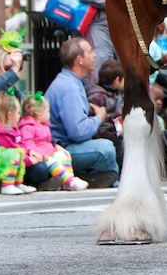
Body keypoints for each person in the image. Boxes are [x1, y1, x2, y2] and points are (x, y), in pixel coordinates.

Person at [44, 37, 119, 187]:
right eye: (90, 52)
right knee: (106, 149)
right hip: (62, 148)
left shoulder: (71, 82)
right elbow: (78, 132)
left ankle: (104, 178)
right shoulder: (69, 87)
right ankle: (107, 180)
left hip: (63, 145)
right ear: (80, 60)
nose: (94, 55)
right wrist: (99, 117)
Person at [17, 93, 87, 191]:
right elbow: (28, 144)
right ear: (39, 114)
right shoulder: (27, 127)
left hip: (50, 153)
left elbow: (48, 142)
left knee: (62, 156)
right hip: (41, 157)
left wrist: (56, 148)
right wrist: (42, 155)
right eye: (48, 111)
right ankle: (69, 181)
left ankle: (68, 180)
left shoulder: (44, 126)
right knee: (52, 163)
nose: (49, 114)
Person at [88, 59, 125, 148]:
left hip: (115, 132)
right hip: (105, 137)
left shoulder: (115, 93)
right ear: (117, 80)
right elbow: (99, 127)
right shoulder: (98, 97)